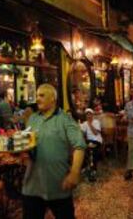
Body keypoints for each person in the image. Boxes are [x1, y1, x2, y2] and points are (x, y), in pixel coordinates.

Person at [22, 84, 86, 219]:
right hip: (32, 185)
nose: (37, 99)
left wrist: (74, 173)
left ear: (53, 99)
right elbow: (27, 144)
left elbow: (80, 145)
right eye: (37, 96)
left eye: (42, 95)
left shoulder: (64, 119)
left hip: (58, 184)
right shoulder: (33, 118)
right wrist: (20, 154)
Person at [80, 108, 103, 173]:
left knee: (93, 151)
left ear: (92, 115)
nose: (89, 116)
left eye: (90, 114)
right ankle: (84, 167)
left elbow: (95, 133)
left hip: (97, 140)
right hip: (89, 140)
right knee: (81, 148)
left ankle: (94, 169)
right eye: (87, 115)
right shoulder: (84, 123)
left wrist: (90, 124)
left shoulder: (96, 122)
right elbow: (82, 133)